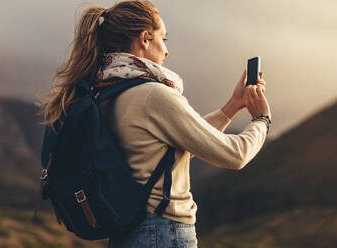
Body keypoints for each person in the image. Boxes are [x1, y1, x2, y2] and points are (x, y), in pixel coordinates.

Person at [39, 0, 271, 247]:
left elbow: (177, 147)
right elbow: (234, 155)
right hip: (163, 233)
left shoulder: (104, 91)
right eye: (164, 38)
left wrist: (233, 105)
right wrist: (261, 120)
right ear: (145, 39)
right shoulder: (153, 95)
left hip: (127, 232)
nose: (167, 50)